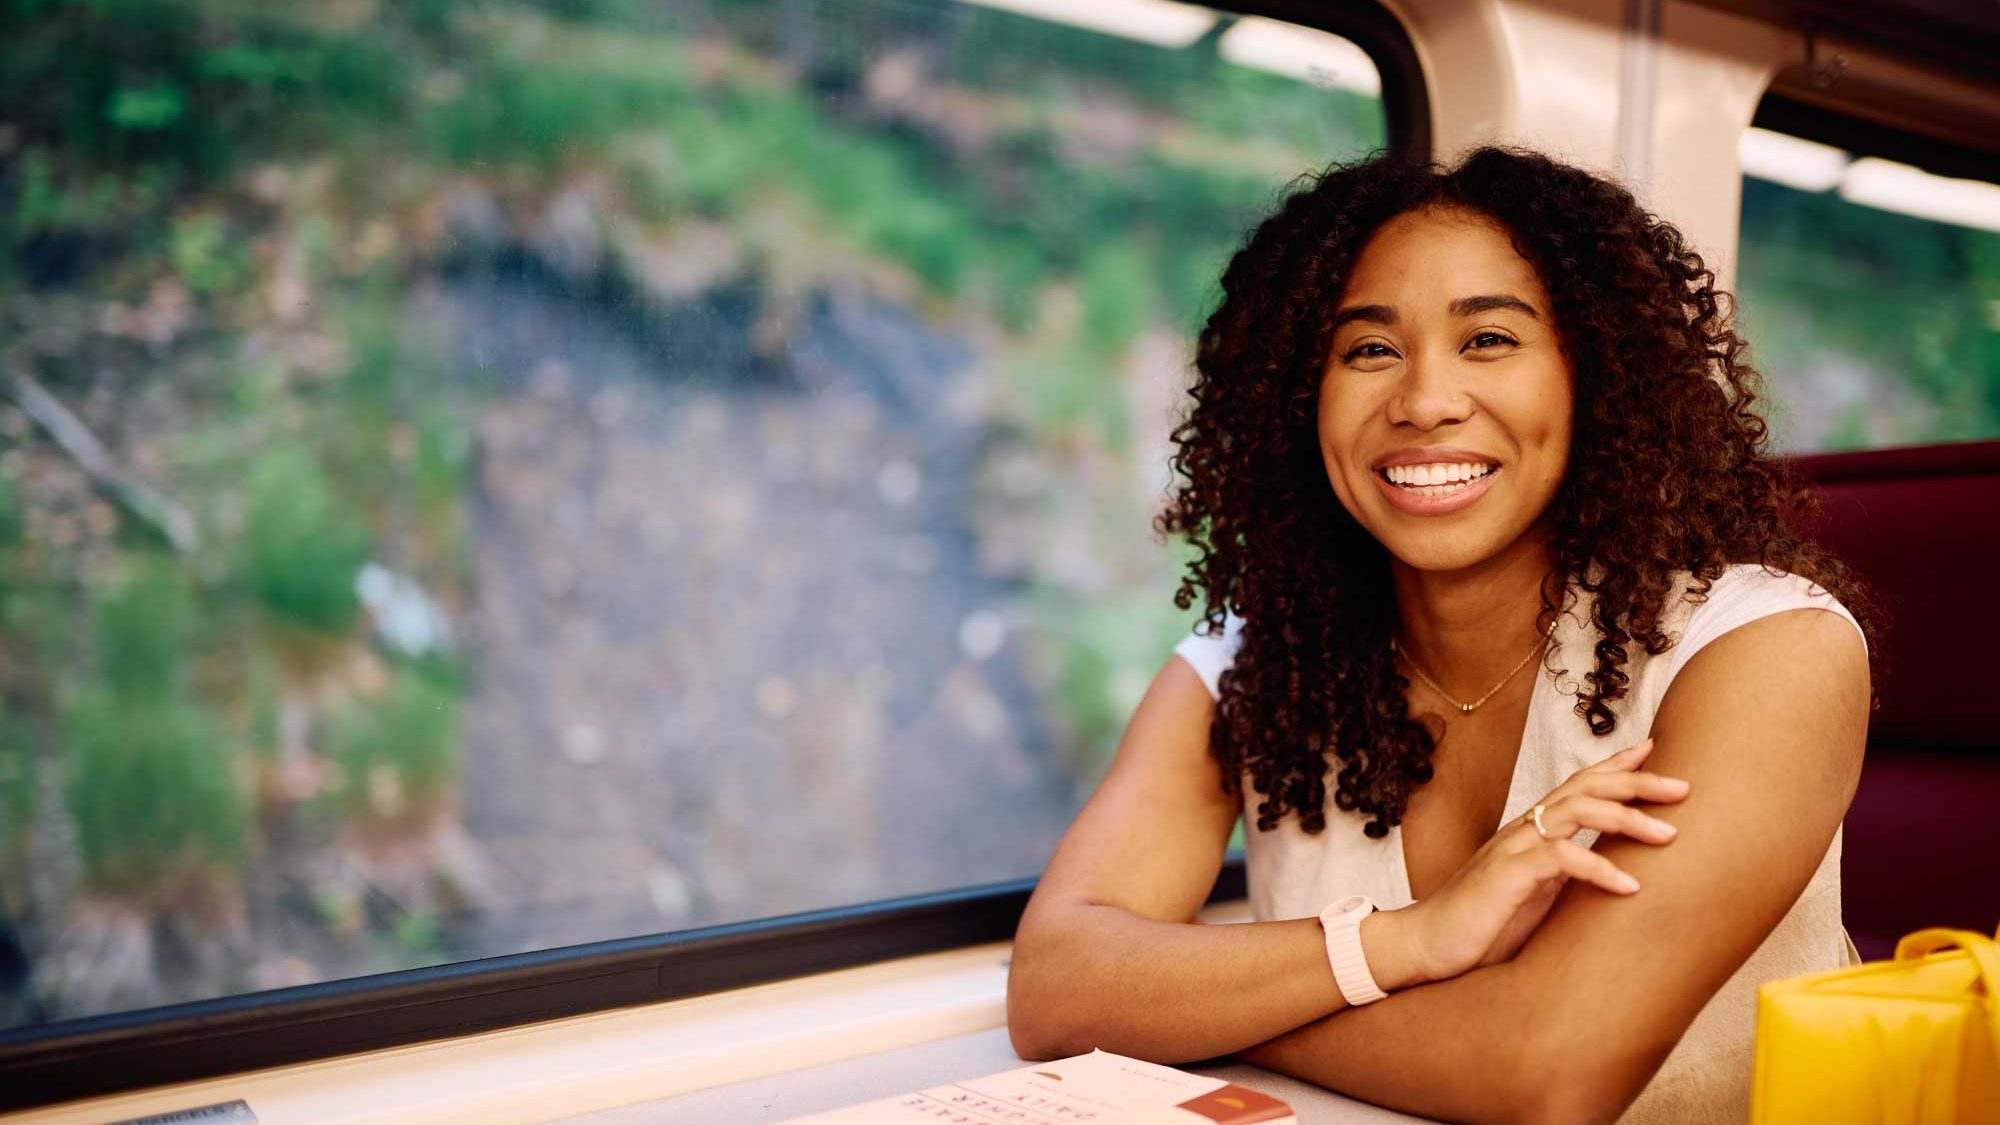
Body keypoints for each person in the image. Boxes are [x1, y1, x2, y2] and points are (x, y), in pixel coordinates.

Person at [1004, 145, 1877, 1124]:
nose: (1422, 402)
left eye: (1489, 340)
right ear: (1301, 395)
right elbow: (1052, 988)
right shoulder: (1249, 660)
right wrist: (1404, 943)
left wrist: (1194, 1010)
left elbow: (1542, 1069)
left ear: (1592, 375)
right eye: (1368, 349)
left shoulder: (1766, 649)